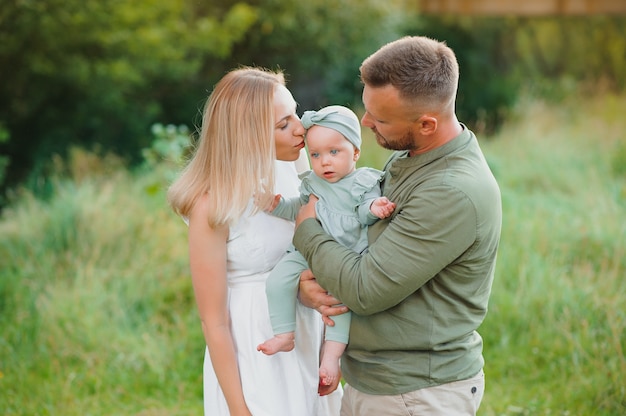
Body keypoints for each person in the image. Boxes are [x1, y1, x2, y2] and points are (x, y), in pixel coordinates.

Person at [294, 36, 502, 416]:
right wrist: (313, 287)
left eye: (380, 118)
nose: (365, 121)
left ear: (426, 124)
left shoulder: (451, 191)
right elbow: (361, 244)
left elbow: (364, 288)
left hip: (416, 394)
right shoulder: (415, 156)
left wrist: (307, 233)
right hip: (374, 382)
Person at [167, 67, 342, 416]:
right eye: (283, 125)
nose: (300, 129)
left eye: (295, 114)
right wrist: (237, 407)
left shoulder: (294, 168)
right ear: (247, 135)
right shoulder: (211, 204)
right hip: (253, 350)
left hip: (305, 335)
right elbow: (213, 321)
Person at [255, 105, 396, 388]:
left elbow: (362, 211)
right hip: (305, 252)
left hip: (342, 255)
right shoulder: (314, 182)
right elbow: (300, 208)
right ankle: (284, 333)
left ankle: (331, 359)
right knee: (277, 281)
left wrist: (375, 207)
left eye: (334, 152)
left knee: (338, 308)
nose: (324, 163)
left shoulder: (362, 181)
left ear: (355, 152)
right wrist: (278, 206)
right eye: (316, 155)